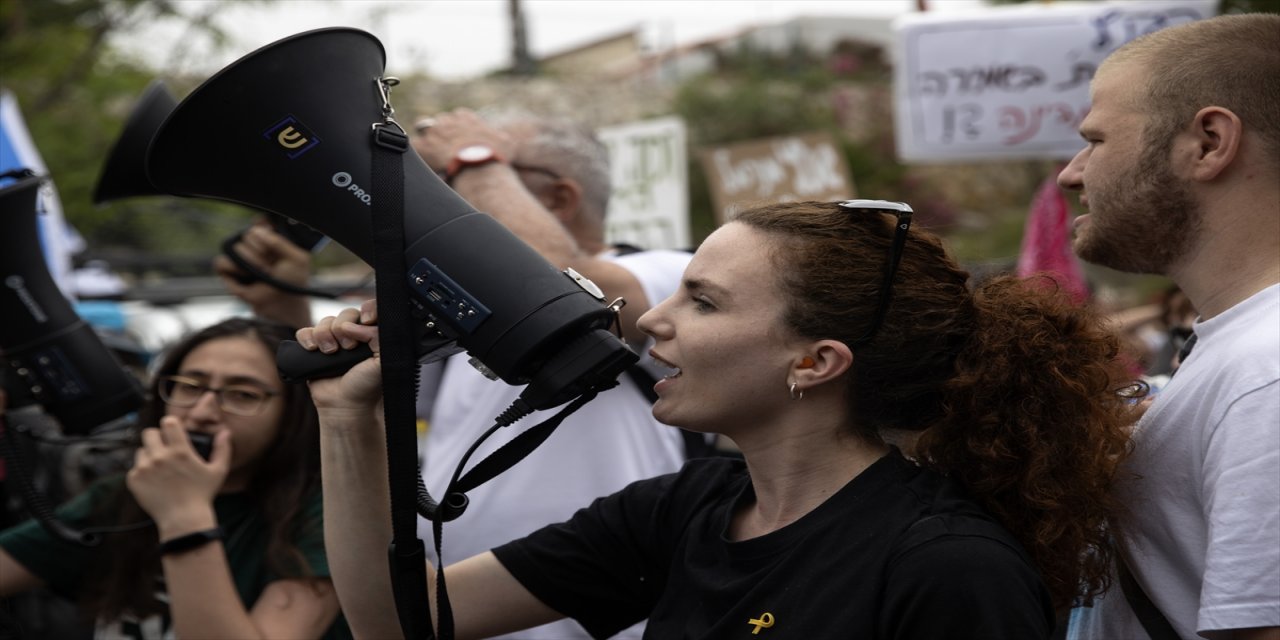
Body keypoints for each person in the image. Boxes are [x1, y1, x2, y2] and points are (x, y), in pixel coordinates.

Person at [302, 199, 1139, 638]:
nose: (653, 322)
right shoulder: (683, 507)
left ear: (815, 362)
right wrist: (346, 418)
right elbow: (402, 619)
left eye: (702, 301)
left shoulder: (948, 564)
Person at [1056, 13, 1280, 640]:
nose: (1071, 173)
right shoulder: (1246, 353)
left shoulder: (1265, 373)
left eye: (1097, 140)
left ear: (1208, 142)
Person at [0, 317, 350, 639]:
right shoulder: (126, 493)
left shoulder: (322, 514)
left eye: (242, 395)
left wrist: (184, 515)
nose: (202, 413)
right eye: (189, 387)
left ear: (292, 413)